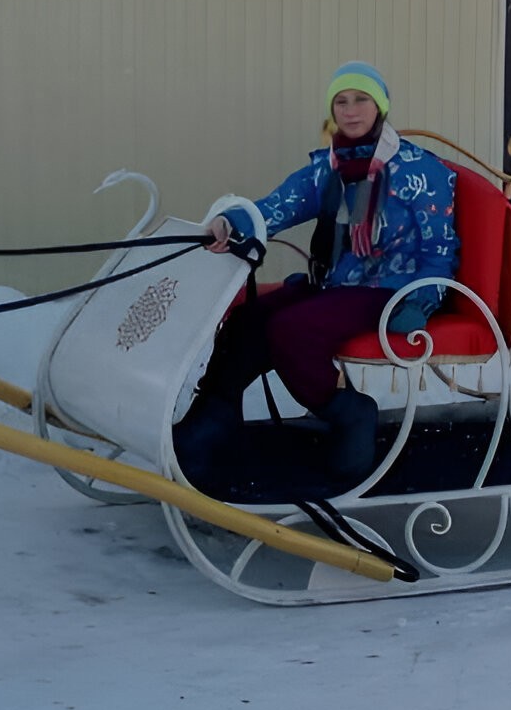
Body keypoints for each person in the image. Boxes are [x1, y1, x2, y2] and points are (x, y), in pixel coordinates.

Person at [179, 62, 460, 477]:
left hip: (391, 291)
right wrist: (231, 223)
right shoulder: (329, 168)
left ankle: (348, 411)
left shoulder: (420, 170)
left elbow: (440, 249)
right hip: (338, 284)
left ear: (380, 106)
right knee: (247, 319)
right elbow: (278, 206)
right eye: (341, 102)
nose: (350, 110)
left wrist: (419, 301)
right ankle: (214, 417)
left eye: (361, 99)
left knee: (292, 330)